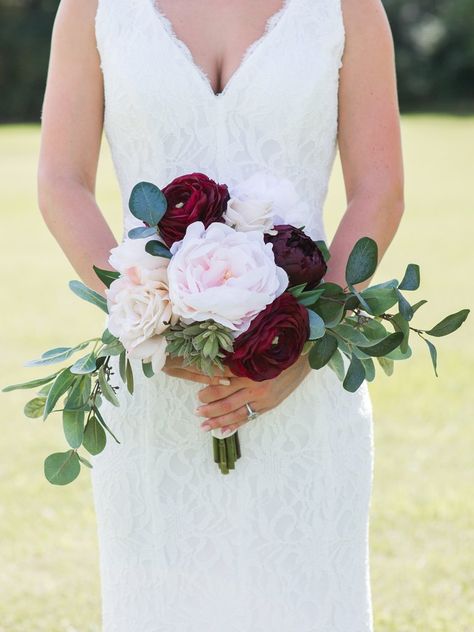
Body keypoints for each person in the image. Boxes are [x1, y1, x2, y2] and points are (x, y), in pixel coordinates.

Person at [37, 0, 404, 630]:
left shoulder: (348, 8)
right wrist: (146, 314)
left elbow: (380, 189)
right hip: (155, 386)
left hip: (306, 389)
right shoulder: (92, 8)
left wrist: (301, 352)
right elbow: (61, 180)